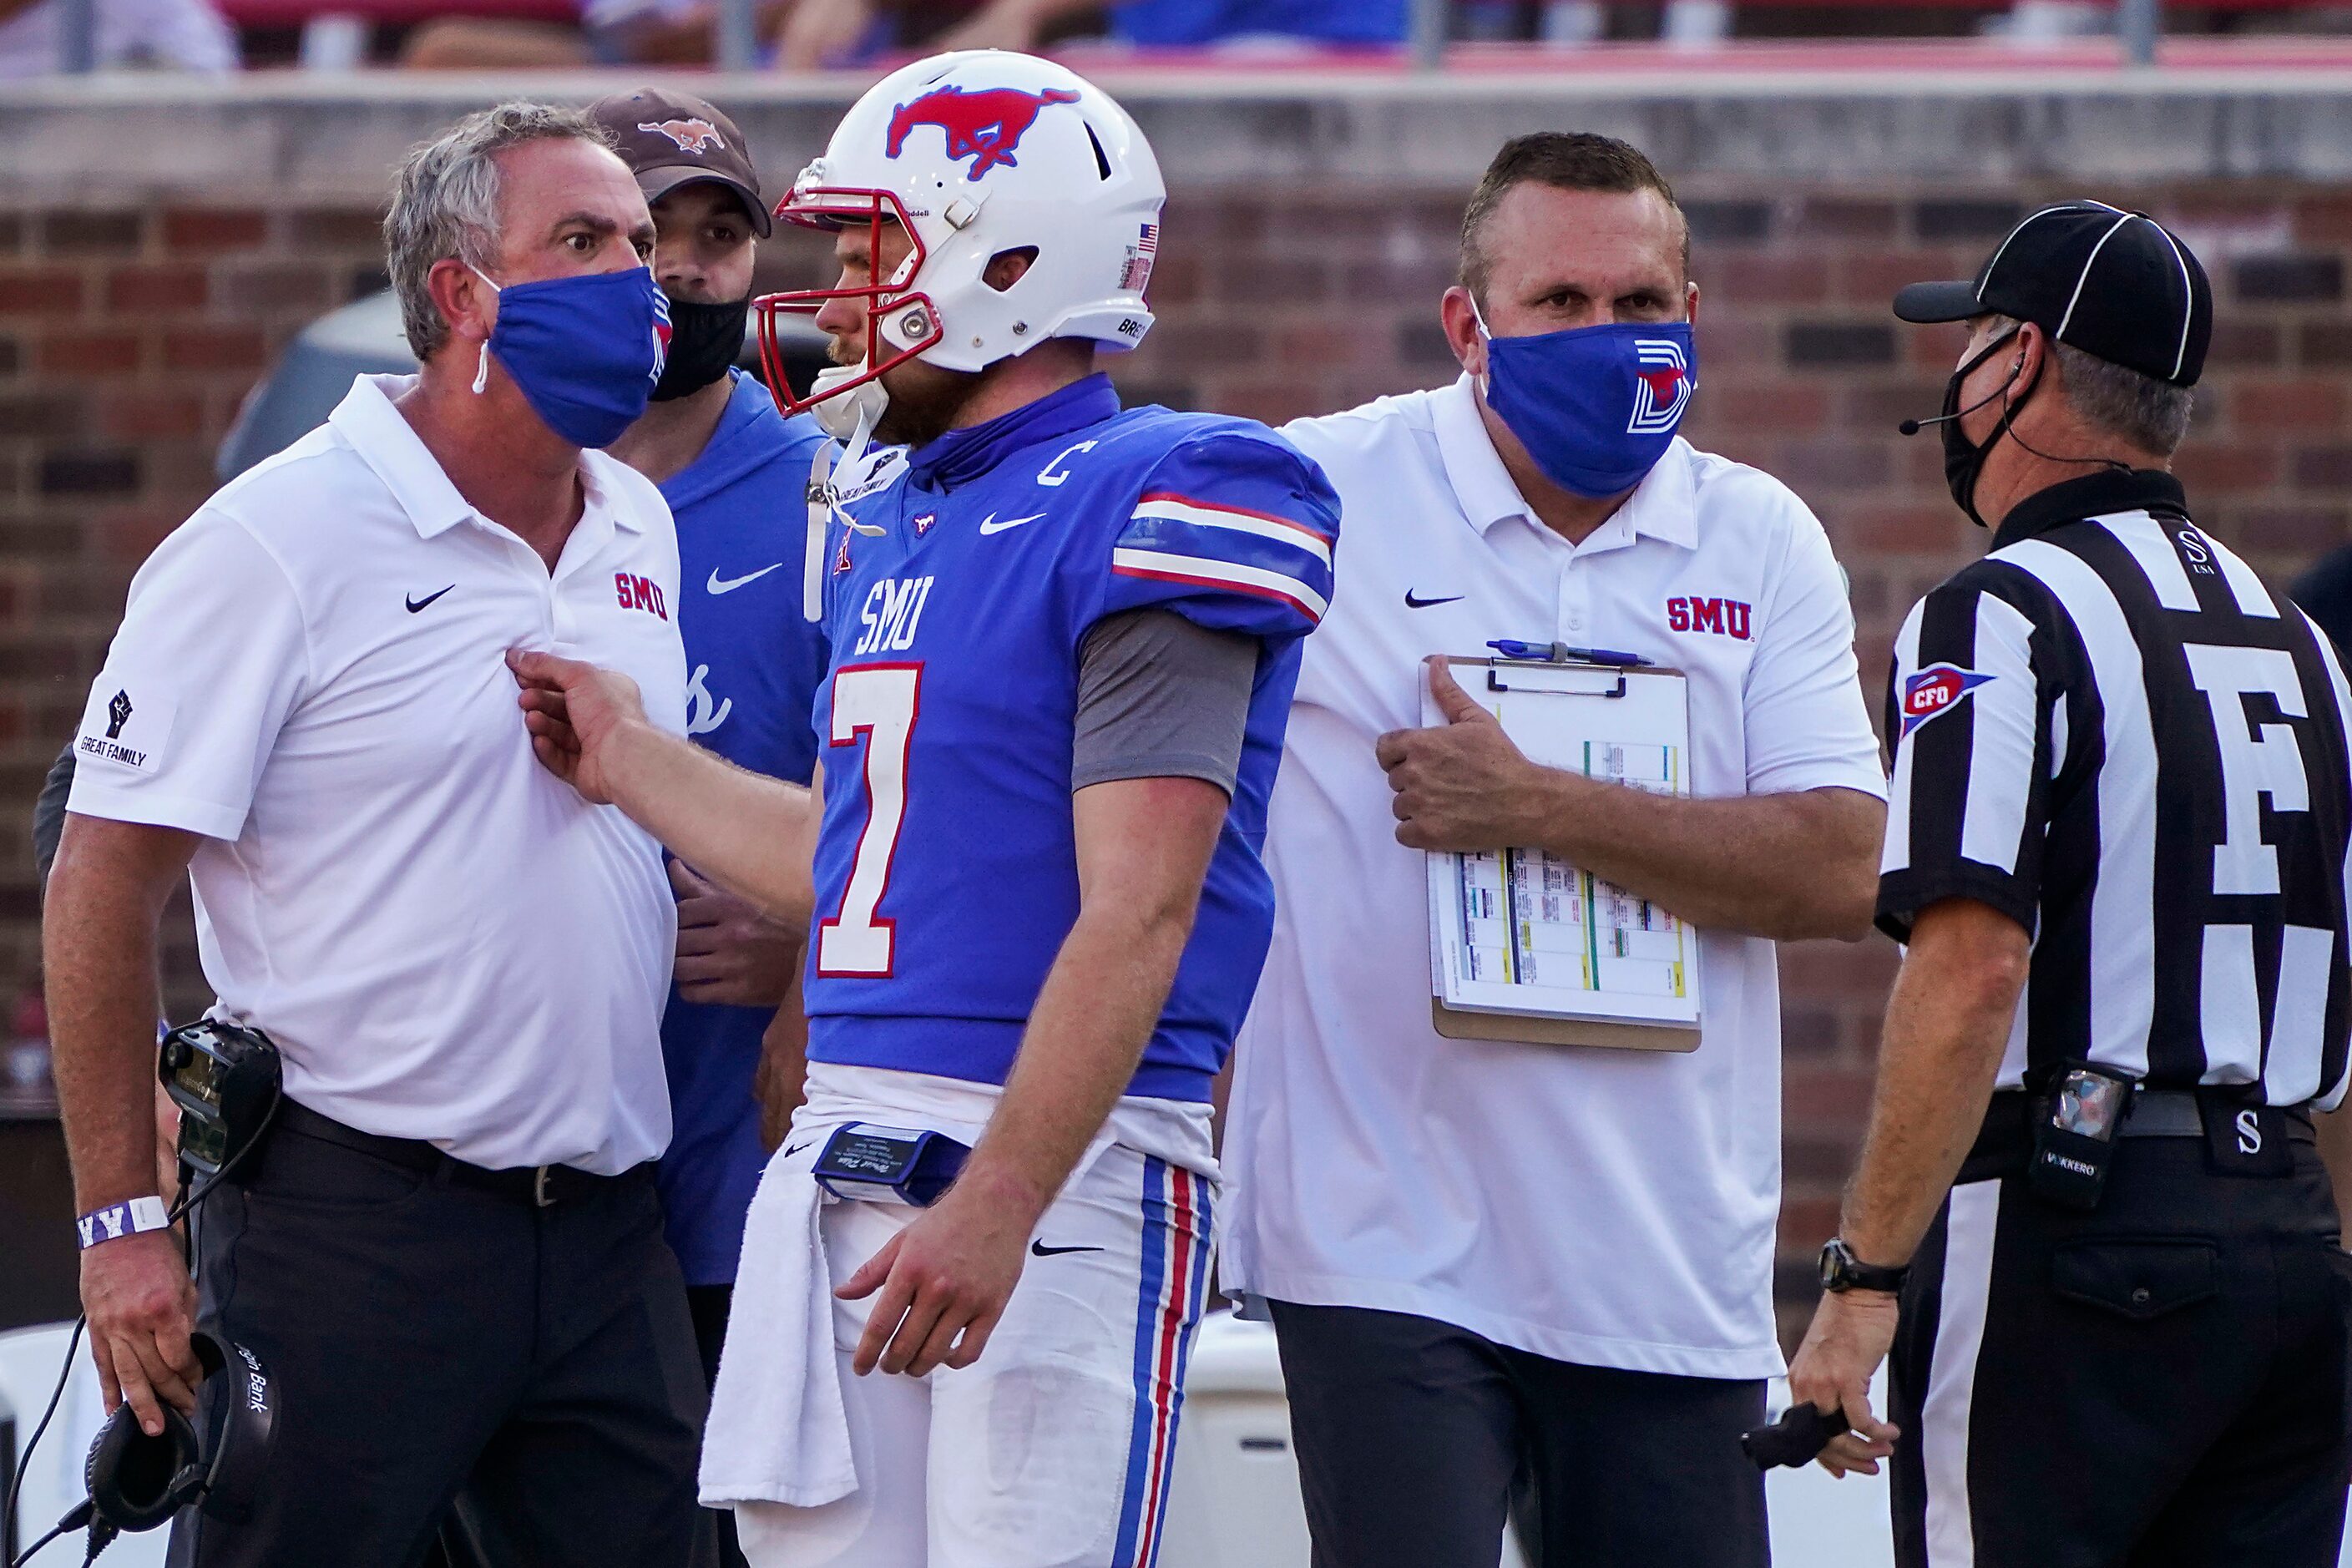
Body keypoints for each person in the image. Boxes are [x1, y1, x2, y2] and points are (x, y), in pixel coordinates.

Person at [507, 48, 1340, 1568]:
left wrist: (1004, 1195)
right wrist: (626, 755)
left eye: (867, 245)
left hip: (1057, 1157)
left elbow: (1142, 903)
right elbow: (849, 858)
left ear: (1009, 261)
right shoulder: (884, 503)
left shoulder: (1168, 481)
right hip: (844, 1142)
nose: (833, 292)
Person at [43, 101, 709, 1566]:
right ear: (463, 293)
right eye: (585, 242)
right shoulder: (274, 539)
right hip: (350, 1233)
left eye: (645, 246)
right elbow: (101, 875)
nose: (640, 281)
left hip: (605, 1230)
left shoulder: (640, 526)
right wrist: (118, 1231)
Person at [1216, 130, 1886, 1568]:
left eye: (1640, 305)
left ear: (1691, 315)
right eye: (1561, 306)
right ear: (1469, 326)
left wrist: (1541, 807)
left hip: (1663, 1258)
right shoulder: (1312, 493)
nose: (1608, 338)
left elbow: (1840, 867)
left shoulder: (1754, 536)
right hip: (1382, 1240)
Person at [1786, 203, 2352, 1567]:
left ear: (2019, 361)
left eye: (1973, 340)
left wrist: (1863, 1279)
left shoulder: (1999, 608)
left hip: (2074, 1226)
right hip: (2285, 1227)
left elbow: (1974, 961)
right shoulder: (2301, 643)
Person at [589, 87, 834, 1568]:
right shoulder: (484, 494)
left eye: (718, 234)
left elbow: (942, 814)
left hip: (742, 1185)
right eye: (644, 232)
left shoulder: (835, 502)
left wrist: (809, 939)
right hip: (508, 1191)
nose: (682, 269)